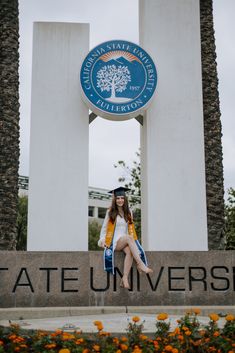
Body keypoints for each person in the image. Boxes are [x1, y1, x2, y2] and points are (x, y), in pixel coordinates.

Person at [98, 186, 153, 289]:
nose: (120, 200)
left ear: (125, 199)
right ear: (115, 200)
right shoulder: (110, 212)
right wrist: (102, 241)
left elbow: (129, 230)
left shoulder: (129, 212)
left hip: (125, 240)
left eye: (122, 198)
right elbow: (104, 229)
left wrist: (133, 246)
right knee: (129, 238)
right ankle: (140, 264)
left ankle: (124, 278)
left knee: (130, 252)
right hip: (114, 241)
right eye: (118, 198)